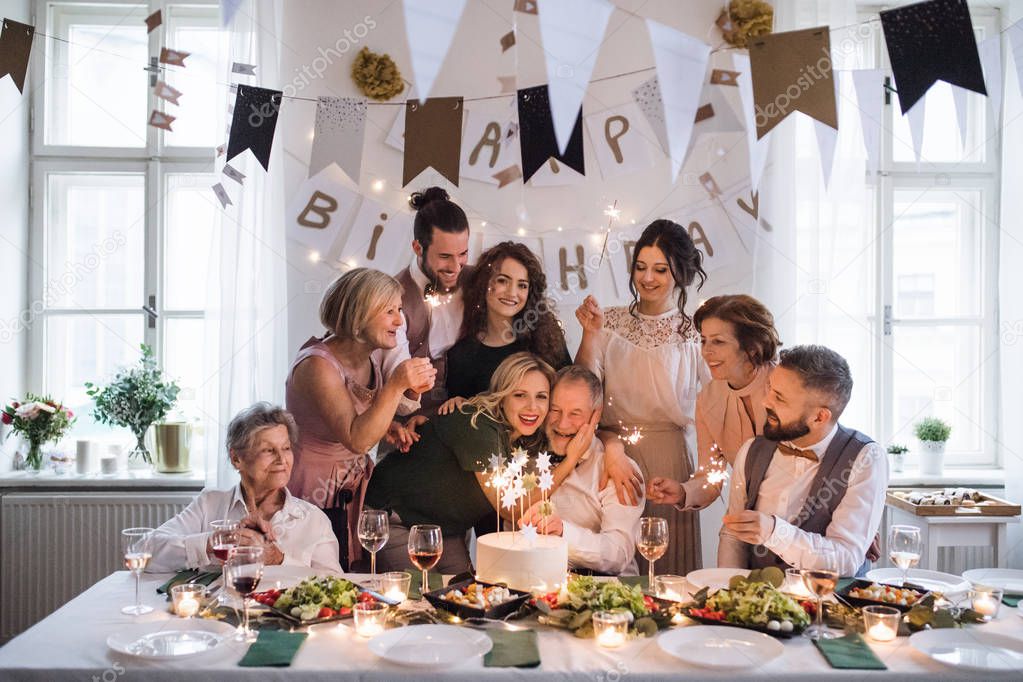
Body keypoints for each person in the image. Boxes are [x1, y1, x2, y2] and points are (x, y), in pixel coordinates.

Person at [365, 353, 592, 575]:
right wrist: (571, 460)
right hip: (396, 520)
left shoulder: (522, 437)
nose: (532, 407)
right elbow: (511, 509)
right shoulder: (480, 427)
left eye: (541, 396)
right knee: (418, 597)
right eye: (520, 395)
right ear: (502, 396)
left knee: (463, 596)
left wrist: (614, 449)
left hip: (445, 531)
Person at [576, 219, 710, 575]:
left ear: (680, 274)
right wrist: (590, 335)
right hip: (611, 454)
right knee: (612, 560)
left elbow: (716, 402)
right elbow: (585, 389)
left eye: (660, 270)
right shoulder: (610, 322)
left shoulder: (694, 332)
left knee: (664, 568)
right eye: (640, 267)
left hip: (669, 457)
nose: (647, 278)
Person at [286, 269, 436, 569]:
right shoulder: (318, 365)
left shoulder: (368, 358)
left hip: (350, 485)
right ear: (358, 314)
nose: (399, 321)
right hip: (312, 488)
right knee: (314, 578)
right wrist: (395, 385)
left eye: (399, 310)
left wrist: (387, 428)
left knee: (347, 576)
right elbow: (356, 438)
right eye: (389, 311)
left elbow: (357, 421)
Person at [717, 345, 889, 577]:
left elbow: (846, 558)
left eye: (779, 398)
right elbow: (733, 535)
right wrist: (729, 589)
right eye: (770, 390)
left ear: (820, 417)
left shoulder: (866, 459)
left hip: (829, 603)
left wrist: (774, 532)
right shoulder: (751, 451)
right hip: (757, 602)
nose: (765, 402)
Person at [149, 403, 342, 574]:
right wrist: (212, 543)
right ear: (236, 459)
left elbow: (337, 585)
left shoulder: (312, 519)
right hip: (217, 614)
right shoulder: (209, 503)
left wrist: (279, 561)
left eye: (286, 448)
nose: (282, 460)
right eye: (268, 450)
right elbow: (146, 551)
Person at [647, 295, 779, 511]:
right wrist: (682, 491)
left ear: (752, 347)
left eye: (718, 341)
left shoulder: (786, 385)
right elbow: (710, 476)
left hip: (799, 520)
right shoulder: (708, 399)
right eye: (704, 340)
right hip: (745, 515)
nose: (706, 351)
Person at [520, 366, 644, 576]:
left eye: (575, 413)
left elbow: (619, 553)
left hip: (606, 590)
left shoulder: (618, 469)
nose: (562, 423)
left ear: (596, 416)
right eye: (555, 410)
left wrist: (562, 532)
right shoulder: (526, 458)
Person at [442, 241, 572, 409]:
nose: (512, 293)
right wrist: (456, 404)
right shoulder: (462, 355)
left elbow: (571, 387)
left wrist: (590, 334)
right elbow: (461, 413)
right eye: (503, 281)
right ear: (484, 283)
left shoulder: (547, 336)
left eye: (522, 285)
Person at [380, 186, 472, 414]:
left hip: (468, 415)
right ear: (418, 248)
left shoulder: (476, 281)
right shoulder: (391, 299)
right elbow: (398, 395)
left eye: (463, 254)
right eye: (444, 257)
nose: (455, 267)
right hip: (407, 427)